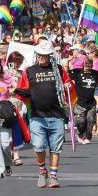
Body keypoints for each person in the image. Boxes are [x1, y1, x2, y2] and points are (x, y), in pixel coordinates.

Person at [15, 40, 73, 188]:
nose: (41, 57)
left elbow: (69, 88)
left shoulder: (59, 70)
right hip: (37, 116)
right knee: (39, 147)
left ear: (50, 56)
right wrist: (16, 104)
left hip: (56, 115)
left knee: (55, 148)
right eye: (40, 54)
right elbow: (22, 91)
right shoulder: (29, 71)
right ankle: (42, 172)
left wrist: (68, 86)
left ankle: (53, 176)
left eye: (45, 55)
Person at [70, 56, 98, 144]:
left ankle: (87, 135)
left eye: (90, 63)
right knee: (81, 121)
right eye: (86, 63)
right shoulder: (76, 72)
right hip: (80, 102)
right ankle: (80, 134)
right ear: (83, 64)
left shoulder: (96, 74)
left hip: (91, 102)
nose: (88, 65)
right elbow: (66, 75)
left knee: (91, 120)